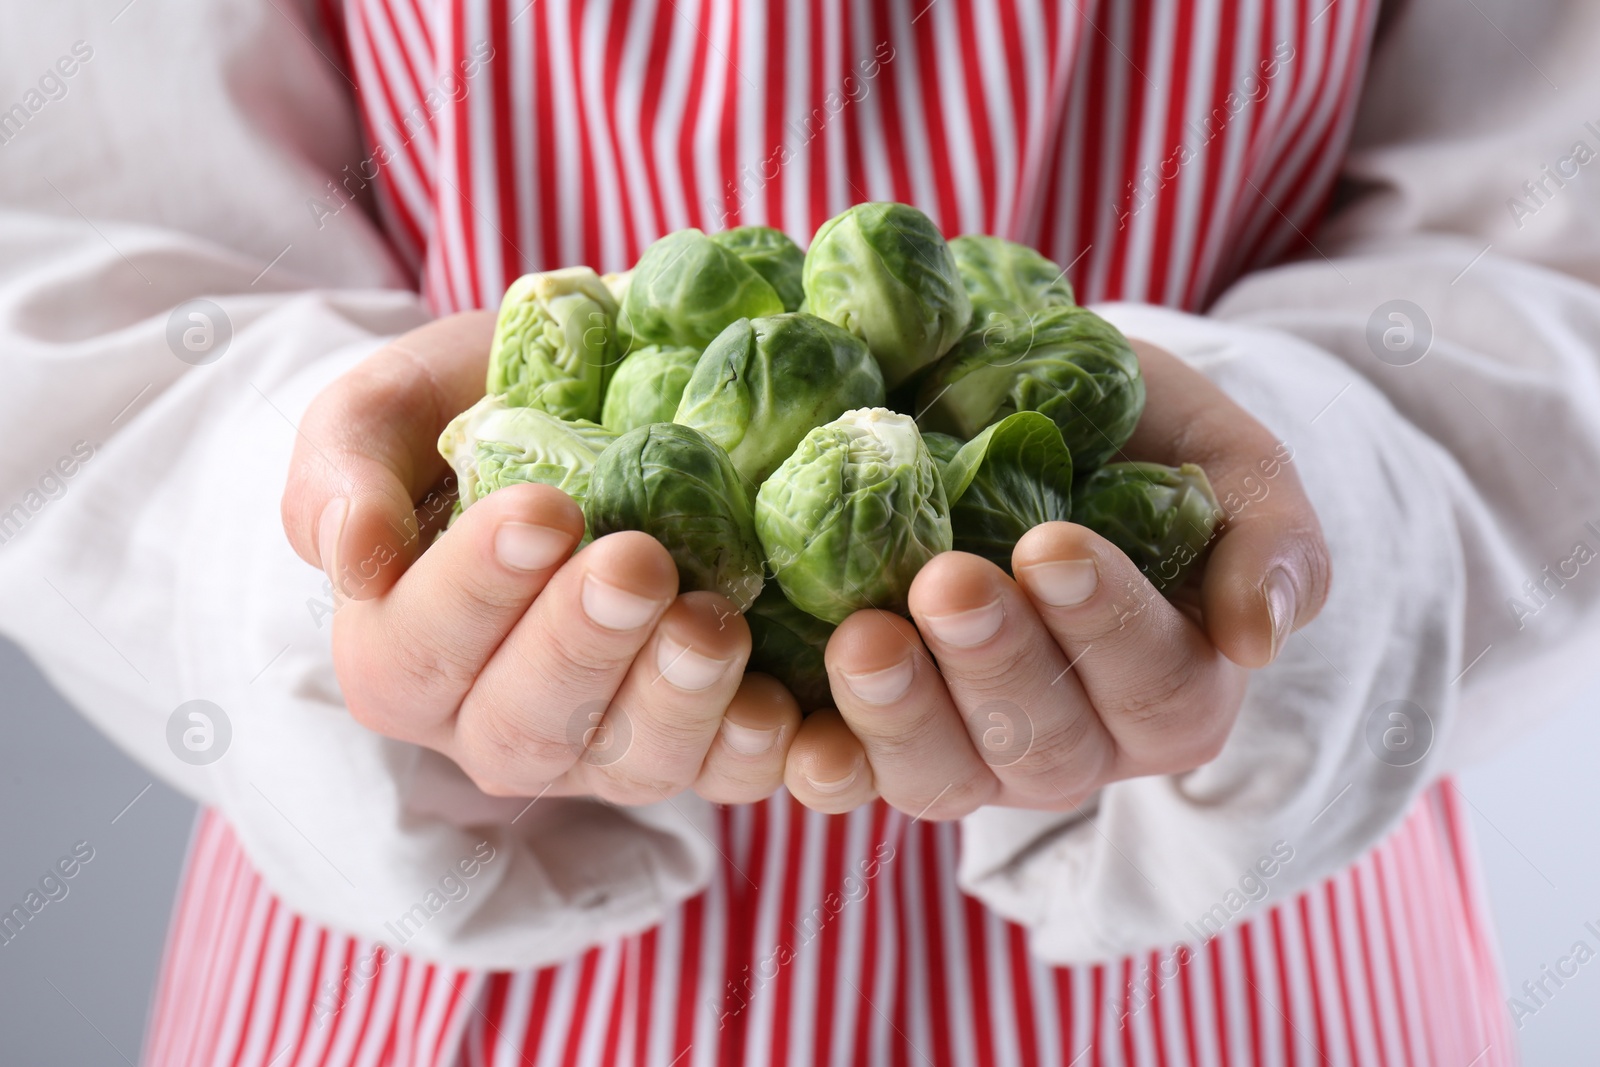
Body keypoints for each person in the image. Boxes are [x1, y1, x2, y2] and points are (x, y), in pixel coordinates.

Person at [2, 0, 1597, 1062]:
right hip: (429, 977)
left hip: (1250, 962)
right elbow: (67, 246)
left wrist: (1305, 512)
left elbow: (1557, 230)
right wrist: (348, 554)